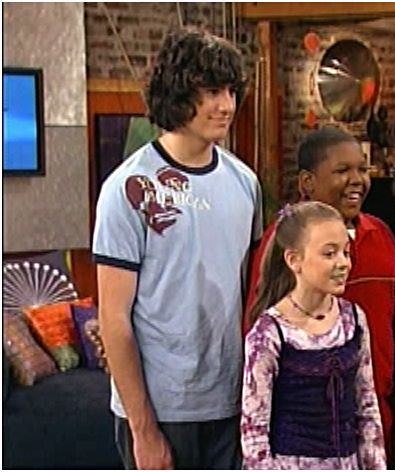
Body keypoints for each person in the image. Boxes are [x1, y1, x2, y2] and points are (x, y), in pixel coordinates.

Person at [93, 29, 262, 470]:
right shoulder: (127, 188)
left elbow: (252, 296)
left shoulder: (245, 183)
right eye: (211, 92)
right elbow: (113, 318)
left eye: (230, 91)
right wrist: (143, 429)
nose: (226, 105)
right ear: (178, 92)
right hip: (161, 408)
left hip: (230, 401)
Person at [243, 126, 395, 463]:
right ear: (307, 182)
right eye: (342, 170)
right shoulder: (281, 241)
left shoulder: (382, 236)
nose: (357, 179)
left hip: (370, 426)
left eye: (362, 169)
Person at [241, 201, 386, 469]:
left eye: (346, 252)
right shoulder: (270, 333)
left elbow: (367, 409)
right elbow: (254, 431)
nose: (343, 263)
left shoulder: (353, 319)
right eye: (329, 254)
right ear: (294, 260)